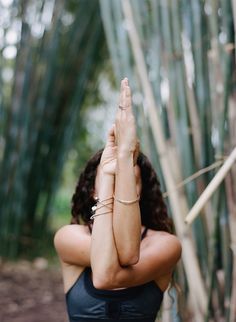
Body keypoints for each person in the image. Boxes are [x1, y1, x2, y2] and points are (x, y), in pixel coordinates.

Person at [54, 78, 182, 322]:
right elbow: (107, 272)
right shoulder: (69, 238)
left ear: (140, 192)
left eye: (128, 181)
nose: (120, 184)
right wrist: (119, 165)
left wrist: (124, 157)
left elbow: (125, 256)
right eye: (111, 178)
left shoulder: (166, 246)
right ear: (93, 190)